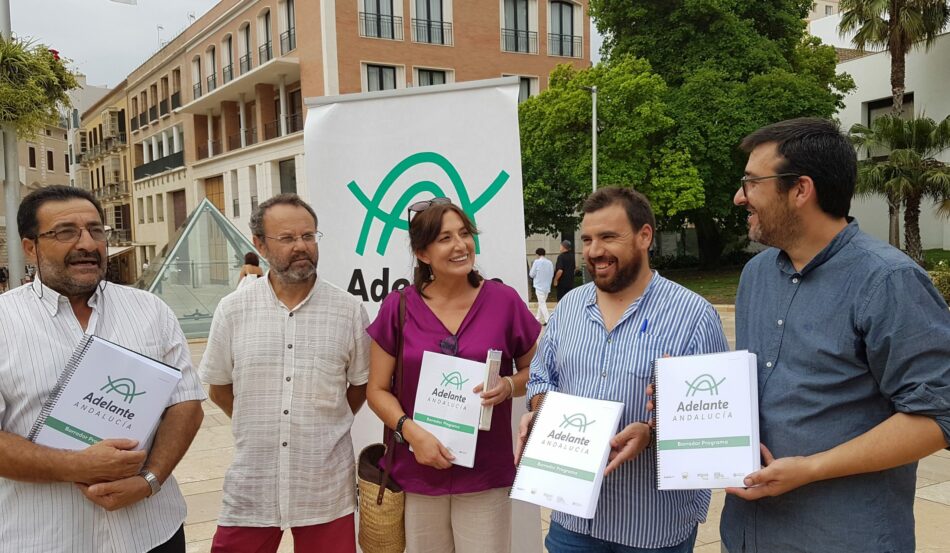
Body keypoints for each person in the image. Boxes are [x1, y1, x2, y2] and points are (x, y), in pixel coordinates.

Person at [721, 118, 950, 553]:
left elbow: (938, 416)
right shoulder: (756, 275)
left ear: (800, 190)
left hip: (843, 536)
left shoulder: (888, 281)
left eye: (751, 183)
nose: (739, 197)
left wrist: (811, 468)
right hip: (749, 534)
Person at [0, 185, 206, 552]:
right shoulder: (4, 321)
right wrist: (76, 466)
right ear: (30, 247)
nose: (88, 244)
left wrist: (150, 480)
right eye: (66, 232)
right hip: (45, 539)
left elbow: (185, 404)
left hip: (151, 532)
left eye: (96, 230)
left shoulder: (150, 311)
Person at [523, 187, 729, 553]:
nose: (594, 250)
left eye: (608, 237)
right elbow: (542, 376)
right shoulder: (569, 307)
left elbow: (715, 429)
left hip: (652, 526)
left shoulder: (693, 316)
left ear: (644, 236)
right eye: (587, 239)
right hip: (572, 520)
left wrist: (653, 432)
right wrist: (540, 410)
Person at [365, 197, 541, 553]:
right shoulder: (397, 307)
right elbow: (377, 390)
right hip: (417, 473)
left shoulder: (503, 301)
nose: (460, 245)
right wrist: (412, 433)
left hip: (484, 473)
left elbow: (538, 371)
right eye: (445, 238)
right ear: (423, 253)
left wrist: (508, 386)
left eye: (464, 233)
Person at [200, 194, 370, 553]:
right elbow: (218, 387)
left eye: (308, 236)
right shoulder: (233, 311)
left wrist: (323, 420)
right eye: (288, 238)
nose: (301, 247)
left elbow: (359, 386)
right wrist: (256, 418)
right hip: (252, 486)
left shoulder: (348, 311)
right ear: (259, 244)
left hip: (324, 488)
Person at [528, 247, 555, 324]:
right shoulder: (550, 262)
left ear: (537, 254)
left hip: (539, 286)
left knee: (542, 303)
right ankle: (537, 319)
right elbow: (552, 273)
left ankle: (548, 320)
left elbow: (531, 274)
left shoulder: (536, 262)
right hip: (547, 286)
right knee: (541, 303)